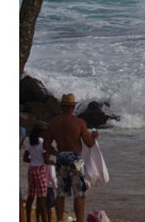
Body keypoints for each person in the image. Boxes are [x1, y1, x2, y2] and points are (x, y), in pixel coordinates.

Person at [46, 94, 98, 222]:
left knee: (61, 193)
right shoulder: (79, 122)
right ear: (73, 107)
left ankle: (59, 220)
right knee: (79, 194)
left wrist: (56, 153)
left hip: (61, 157)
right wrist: (94, 136)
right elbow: (89, 144)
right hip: (75, 158)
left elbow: (46, 145)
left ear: (61, 106)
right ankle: (80, 220)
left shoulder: (53, 123)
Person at [24, 123, 51, 222]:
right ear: (41, 132)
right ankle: (43, 219)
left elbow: (25, 158)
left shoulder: (30, 142)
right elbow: (46, 159)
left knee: (31, 196)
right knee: (42, 199)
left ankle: (28, 219)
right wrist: (52, 161)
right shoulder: (43, 142)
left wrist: (33, 160)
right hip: (40, 169)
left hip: (31, 169)